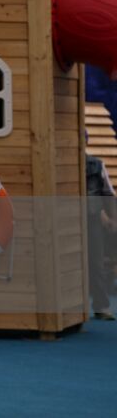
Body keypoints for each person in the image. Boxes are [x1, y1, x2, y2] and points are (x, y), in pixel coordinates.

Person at [86, 133, 117, 320]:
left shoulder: (96, 165)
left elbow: (107, 193)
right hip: (67, 220)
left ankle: (101, 306)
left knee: (97, 263)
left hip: (92, 219)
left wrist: (112, 217)